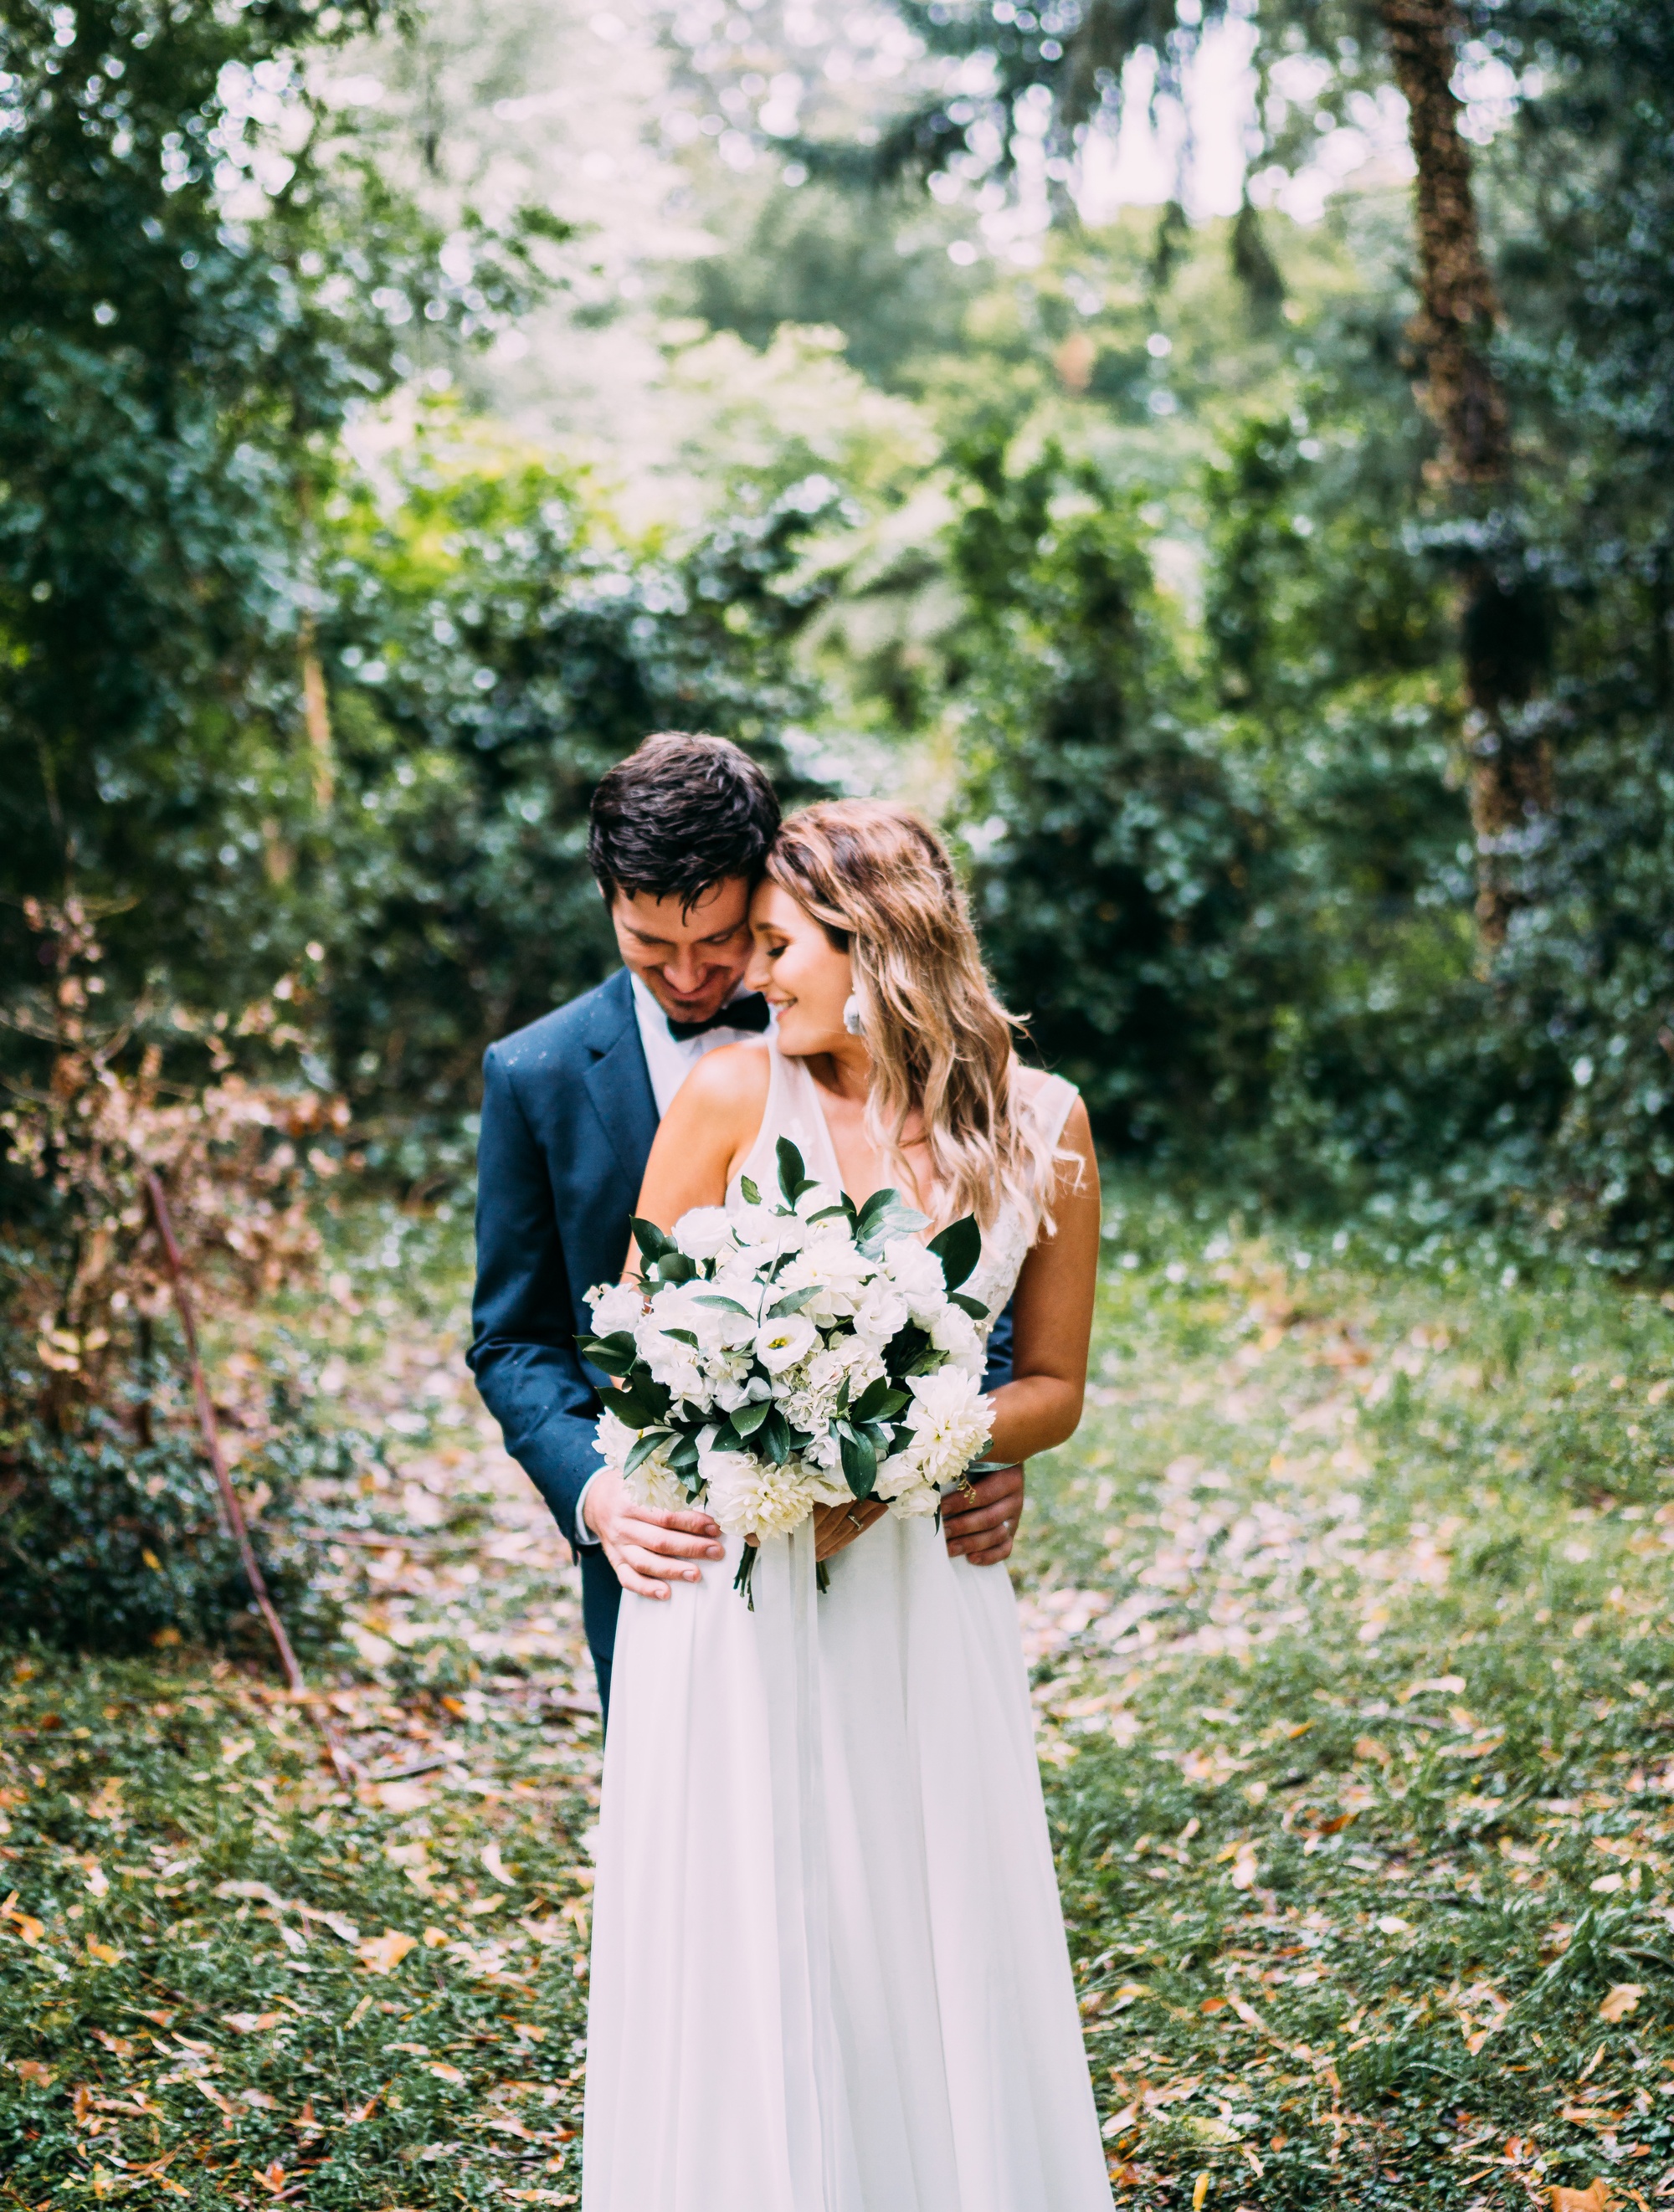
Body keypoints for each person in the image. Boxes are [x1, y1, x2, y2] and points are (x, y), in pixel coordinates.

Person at [583, 799, 1112, 2211]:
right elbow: (636, 1343)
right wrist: (761, 1426)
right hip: (732, 1601)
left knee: (918, 1924)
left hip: (919, 1595)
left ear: (875, 940)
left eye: (779, 941)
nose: (754, 972)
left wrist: (903, 1454)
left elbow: (1054, 1383)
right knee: (754, 1935)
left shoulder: (1045, 1123)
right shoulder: (724, 1096)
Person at [467, 734, 1028, 1723]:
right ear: (606, 902)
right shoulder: (535, 1076)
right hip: (666, 1533)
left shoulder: (870, 1036)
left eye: (719, 940)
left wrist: (977, 1440)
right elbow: (514, 1335)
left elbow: (969, 1250)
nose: (687, 976)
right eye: (647, 946)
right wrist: (600, 1500)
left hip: (888, 1528)